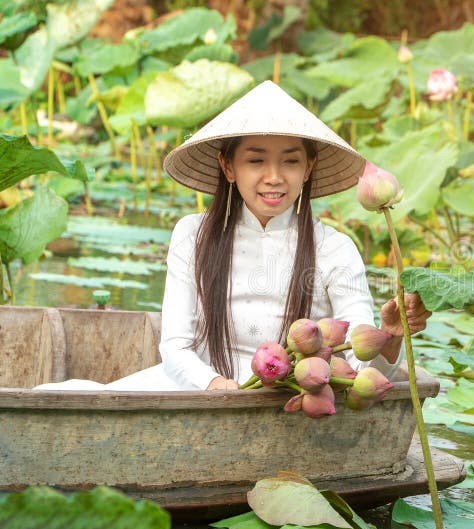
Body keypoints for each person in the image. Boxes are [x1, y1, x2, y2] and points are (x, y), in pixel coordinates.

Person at [37, 81, 431, 391]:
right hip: (197, 388)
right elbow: (175, 346)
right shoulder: (192, 234)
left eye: (291, 161)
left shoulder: (334, 249)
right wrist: (214, 385)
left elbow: (358, 369)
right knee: (63, 397)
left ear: (309, 167)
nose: (274, 177)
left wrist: (391, 338)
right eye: (256, 160)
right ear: (228, 166)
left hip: (290, 398)